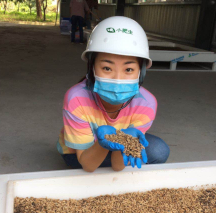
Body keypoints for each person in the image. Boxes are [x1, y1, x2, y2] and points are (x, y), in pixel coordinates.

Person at [57, 16, 170, 172]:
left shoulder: (146, 103)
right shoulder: (76, 99)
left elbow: (118, 166)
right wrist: (102, 144)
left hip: (116, 150)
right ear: (92, 68)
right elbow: (87, 165)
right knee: (84, 165)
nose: (118, 79)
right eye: (107, 68)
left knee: (159, 150)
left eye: (129, 70)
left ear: (141, 72)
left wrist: (123, 142)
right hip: (81, 154)